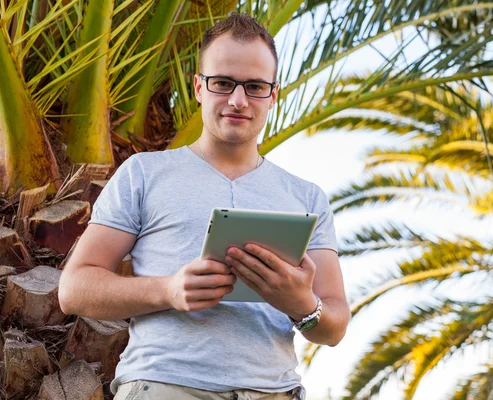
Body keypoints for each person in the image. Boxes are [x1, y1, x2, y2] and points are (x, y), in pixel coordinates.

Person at [58, 12, 351, 400]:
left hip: (276, 392)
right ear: (199, 87)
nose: (238, 100)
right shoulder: (144, 174)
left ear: (273, 94)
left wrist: (302, 304)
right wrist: (167, 290)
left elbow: (335, 325)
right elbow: (74, 289)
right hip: (165, 386)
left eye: (255, 86)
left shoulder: (306, 197)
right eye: (223, 83)